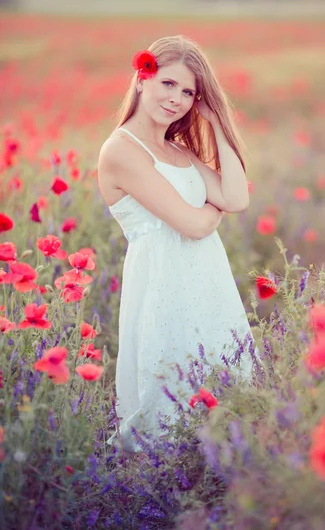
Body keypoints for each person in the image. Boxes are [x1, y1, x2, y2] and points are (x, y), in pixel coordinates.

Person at [97, 35, 256, 453]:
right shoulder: (121, 150)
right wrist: (212, 210)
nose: (177, 99)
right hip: (162, 287)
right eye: (168, 84)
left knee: (221, 392)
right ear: (142, 79)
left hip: (206, 284)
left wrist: (218, 123)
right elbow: (194, 224)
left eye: (188, 92)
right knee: (169, 399)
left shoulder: (176, 149)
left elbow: (237, 197)